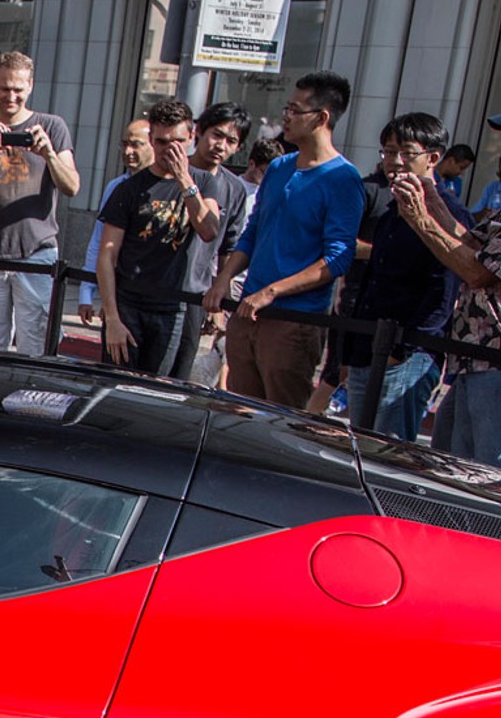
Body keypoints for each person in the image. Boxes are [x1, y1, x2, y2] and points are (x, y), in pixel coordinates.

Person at [205, 71, 364, 410]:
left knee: (282, 424)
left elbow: (337, 259)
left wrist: (271, 291)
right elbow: (252, 232)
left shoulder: (343, 179)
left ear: (322, 117)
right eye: (287, 108)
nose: (285, 117)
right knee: (238, 416)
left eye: (295, 110)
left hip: (294, 322)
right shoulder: (278, 168)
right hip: (247, 313)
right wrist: (223, 279)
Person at [341, 114, 470, 441]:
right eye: (387, 151)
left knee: (389, 455)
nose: (394, 162)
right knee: (358, 451)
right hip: (368, 346)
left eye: (406, 152)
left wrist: (403, 349)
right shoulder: (389, 211)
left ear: (433, 157)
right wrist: (353, 351)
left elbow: (444, 291)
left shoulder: (450, 213)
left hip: (408, 355)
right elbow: (371, 281)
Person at [0, 51, 80, 355]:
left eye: (19, 89)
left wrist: (48, 154)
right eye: (5, 88)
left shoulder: (52, 127)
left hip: (36, 253)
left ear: (31, 86)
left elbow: (72, 186)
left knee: (36, 346)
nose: (11, 96)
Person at [94, 98, 223, 376]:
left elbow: (209, 229)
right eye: (162, 142)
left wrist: (184, 181)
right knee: (117, 386)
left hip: (172, 306)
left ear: (191, 137)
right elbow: (107, 253)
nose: (169, 150)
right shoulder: (129, 189)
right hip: (129, 303)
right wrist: (112, 317)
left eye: (177, 141)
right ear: (151, 139)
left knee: (159, 391)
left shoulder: (203, 182)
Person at [393, 164, 501, 465]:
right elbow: (472, 246)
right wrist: (433, 201)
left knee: (484, 477)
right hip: (476, 360)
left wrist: (420, 218)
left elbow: (477, 272)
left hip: (493, 365)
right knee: (450, 468)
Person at [169, 101, 254, 383]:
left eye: (231, 141)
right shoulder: (168, 171)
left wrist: (221, 294)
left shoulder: (235, 188)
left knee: (180, 374)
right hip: (156, 286)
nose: (221, 145)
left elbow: (229, 246)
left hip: (196, 292)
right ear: (199, 133)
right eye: (216, 135)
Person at [77, 119, 152, 327]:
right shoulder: (116, 187)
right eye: (125, 144)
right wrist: (86, 293)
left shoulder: (167, 188)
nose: (128, 151)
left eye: (136, 144)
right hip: (118, 291)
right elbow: (99, 241)